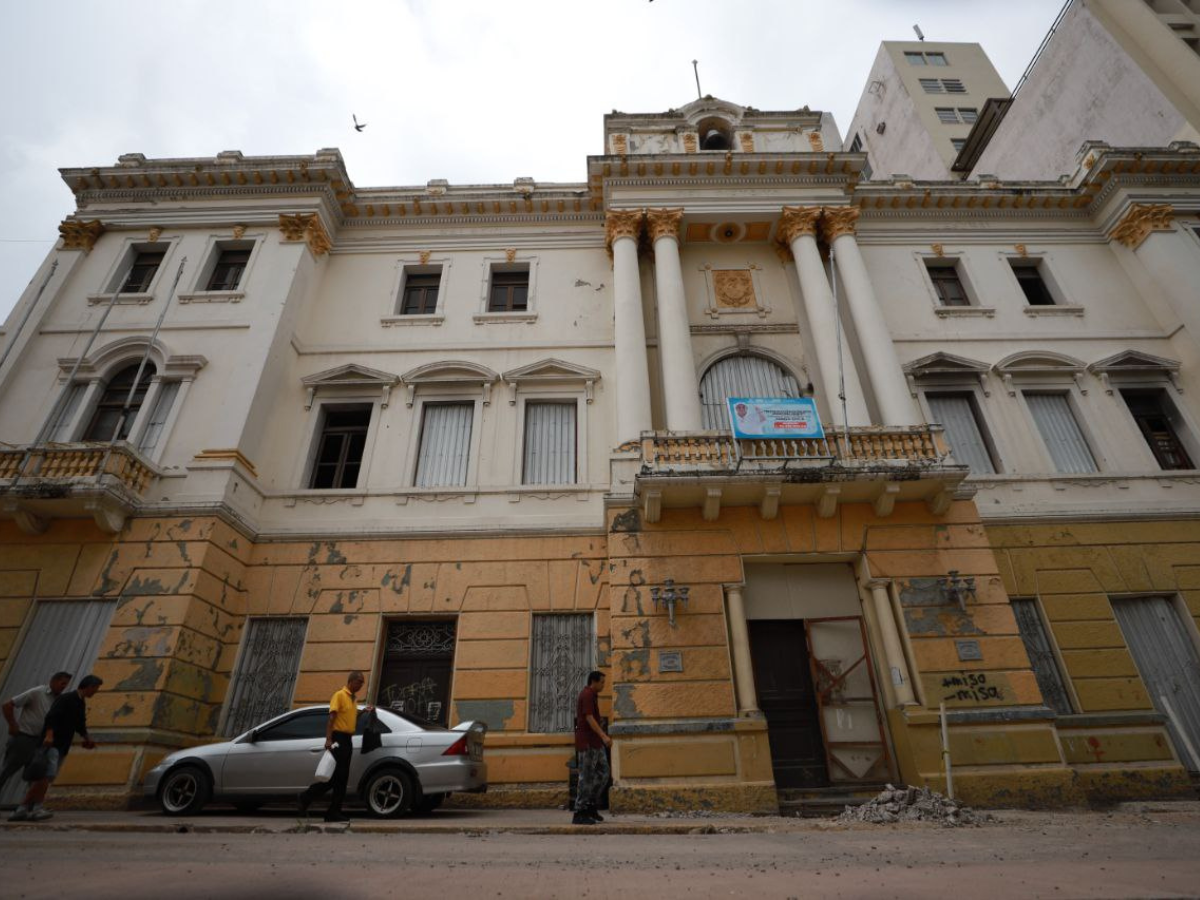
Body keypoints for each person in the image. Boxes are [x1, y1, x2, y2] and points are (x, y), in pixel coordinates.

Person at [10, 674, 102, 822]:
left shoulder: (80, 702)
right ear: (89, 686)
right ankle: (31, 808)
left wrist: (87, 738)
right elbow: (52, 717)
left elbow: (79, 723)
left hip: (61, 746)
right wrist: (49, 735)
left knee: (45, 777)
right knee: (45, 776)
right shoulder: (67, 699)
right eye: (96, 688)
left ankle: (26, 809)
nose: (96, 692)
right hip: (52, 744)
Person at [298, 670, 371, 823]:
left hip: (347, 740)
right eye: (360, 682)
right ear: (352, 681)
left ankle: (314, 800)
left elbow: (350, 719)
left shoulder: (353, 699)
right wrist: (329, 739)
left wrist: (363, 712)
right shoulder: (339, 695)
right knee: (339, 777)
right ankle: (323, 806)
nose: (361, 685)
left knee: (339, 778)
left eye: (362, 683)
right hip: (339, 739)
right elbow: (332, 718)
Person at [1, 671, 73, 796]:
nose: (63, 687)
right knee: (7, 770)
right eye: (62, 683)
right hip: (24, 739)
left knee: (36, 775)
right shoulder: (37, 692)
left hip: (41, 743)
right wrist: (13, 725)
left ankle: (28, 808)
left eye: (66, 685)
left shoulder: (59, 700)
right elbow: (8, 705)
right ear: (53, 681)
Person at [572, 670, 612, 826]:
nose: (603, 685)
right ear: (593, 682)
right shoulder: (587, 694)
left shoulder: (593, 696)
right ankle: (579, 812)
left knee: (604, 773)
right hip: (587, 742)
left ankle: (590, 805)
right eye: (602, 682)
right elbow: (588, 718)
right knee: (586, 777)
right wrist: (604, 736)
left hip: (595, 743)